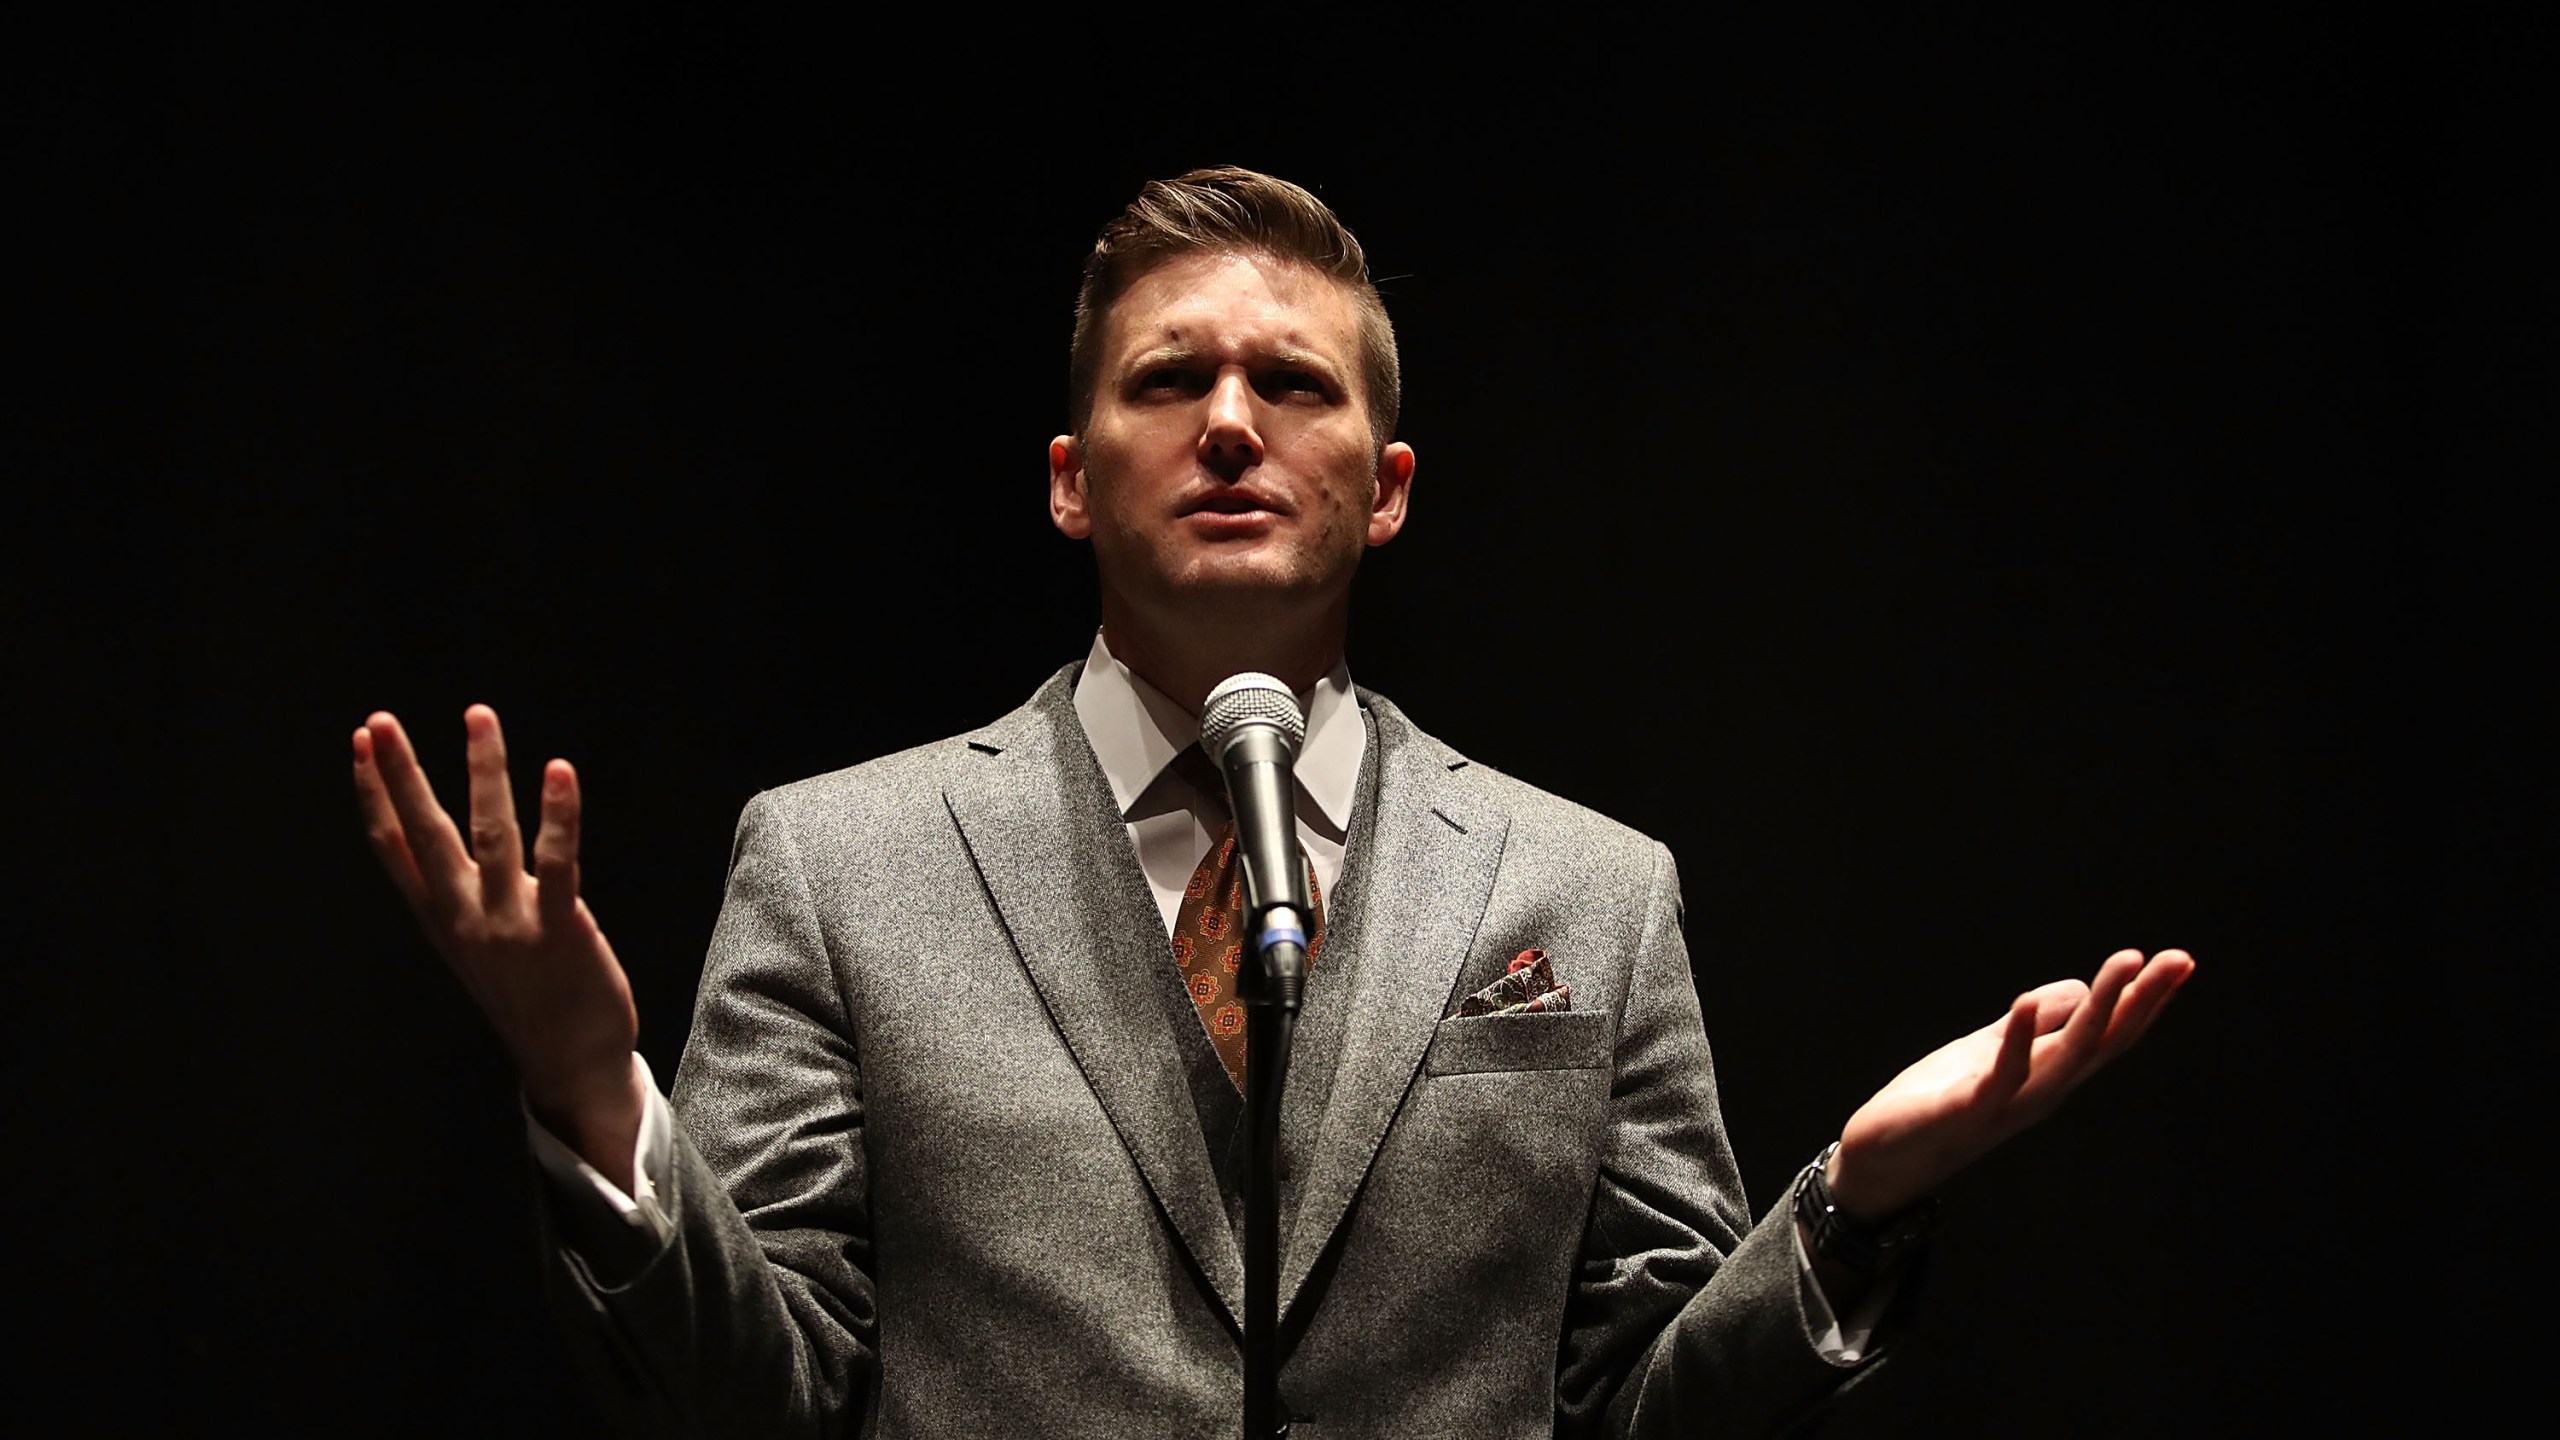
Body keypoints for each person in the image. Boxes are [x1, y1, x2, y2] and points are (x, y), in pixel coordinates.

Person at [351, 167, 2192, 1437]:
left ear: (1383, 489)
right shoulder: (840, 865)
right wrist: (595, 1099)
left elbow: (1642, 1409)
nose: (1230, 421)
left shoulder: (1591, 890)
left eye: (1289, 383)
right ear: (1075, 480)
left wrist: (1850, 1207)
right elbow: (760, 1405)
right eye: (1172, 381)